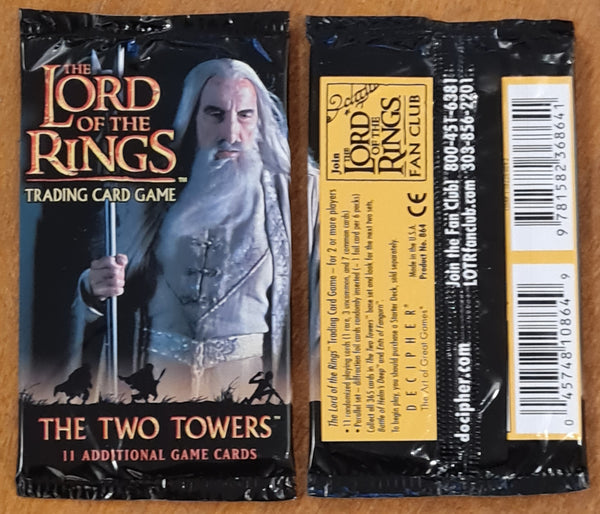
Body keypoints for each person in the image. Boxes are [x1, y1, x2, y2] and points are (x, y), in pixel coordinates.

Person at [71, 59, 290, 402]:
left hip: (246, 390)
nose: (231, 134)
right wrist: (93, 288)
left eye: (245, 115)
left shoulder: (296, 195)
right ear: (191, 117)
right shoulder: (143, 192)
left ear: (259, 120)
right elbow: (101, 291)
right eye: (215, 114)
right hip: (153, 386)